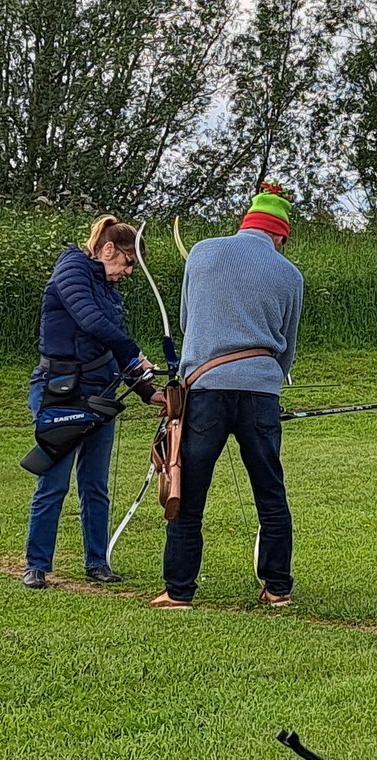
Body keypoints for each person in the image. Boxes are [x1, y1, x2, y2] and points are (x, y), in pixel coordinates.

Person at [154, 184, 305, 610]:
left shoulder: (202, 251)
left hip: (205, 387)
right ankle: (278, 587)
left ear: (246, 224)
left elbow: (187, 321)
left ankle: (178, 590)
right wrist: (272, 379)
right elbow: (287, 346)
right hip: (260, 390)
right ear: (280, 236)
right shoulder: (289, 274)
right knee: (270, 492)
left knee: (190, 487)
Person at [24, 216, 161, 589]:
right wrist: (136, 355)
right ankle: (36, 564)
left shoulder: (108, 291)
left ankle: (97, 562)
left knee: (95, 484)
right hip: (60, 391)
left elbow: (111, 348)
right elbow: (93, 323)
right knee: (53, 481)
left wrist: (150, 391)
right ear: (106, 249)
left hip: (100, 395)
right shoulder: (71, 271)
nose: (128, 271)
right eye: (127, 262)